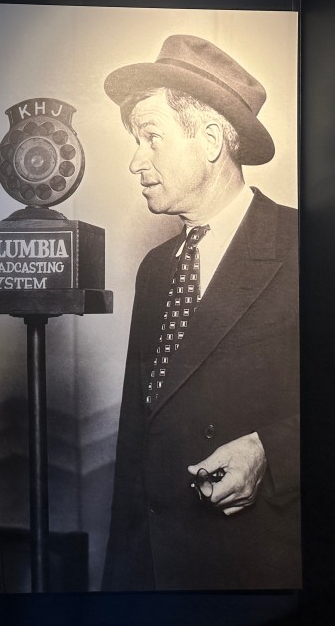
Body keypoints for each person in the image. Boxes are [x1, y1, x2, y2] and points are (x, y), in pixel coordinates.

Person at [101, 34, 300, 591]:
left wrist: (272, 452)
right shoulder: (156, 268)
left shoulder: (307, 246)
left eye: (151, 138)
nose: (136, 161)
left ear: (211, 140)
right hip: (156, 575)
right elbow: (137, 437)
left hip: (260, 575)